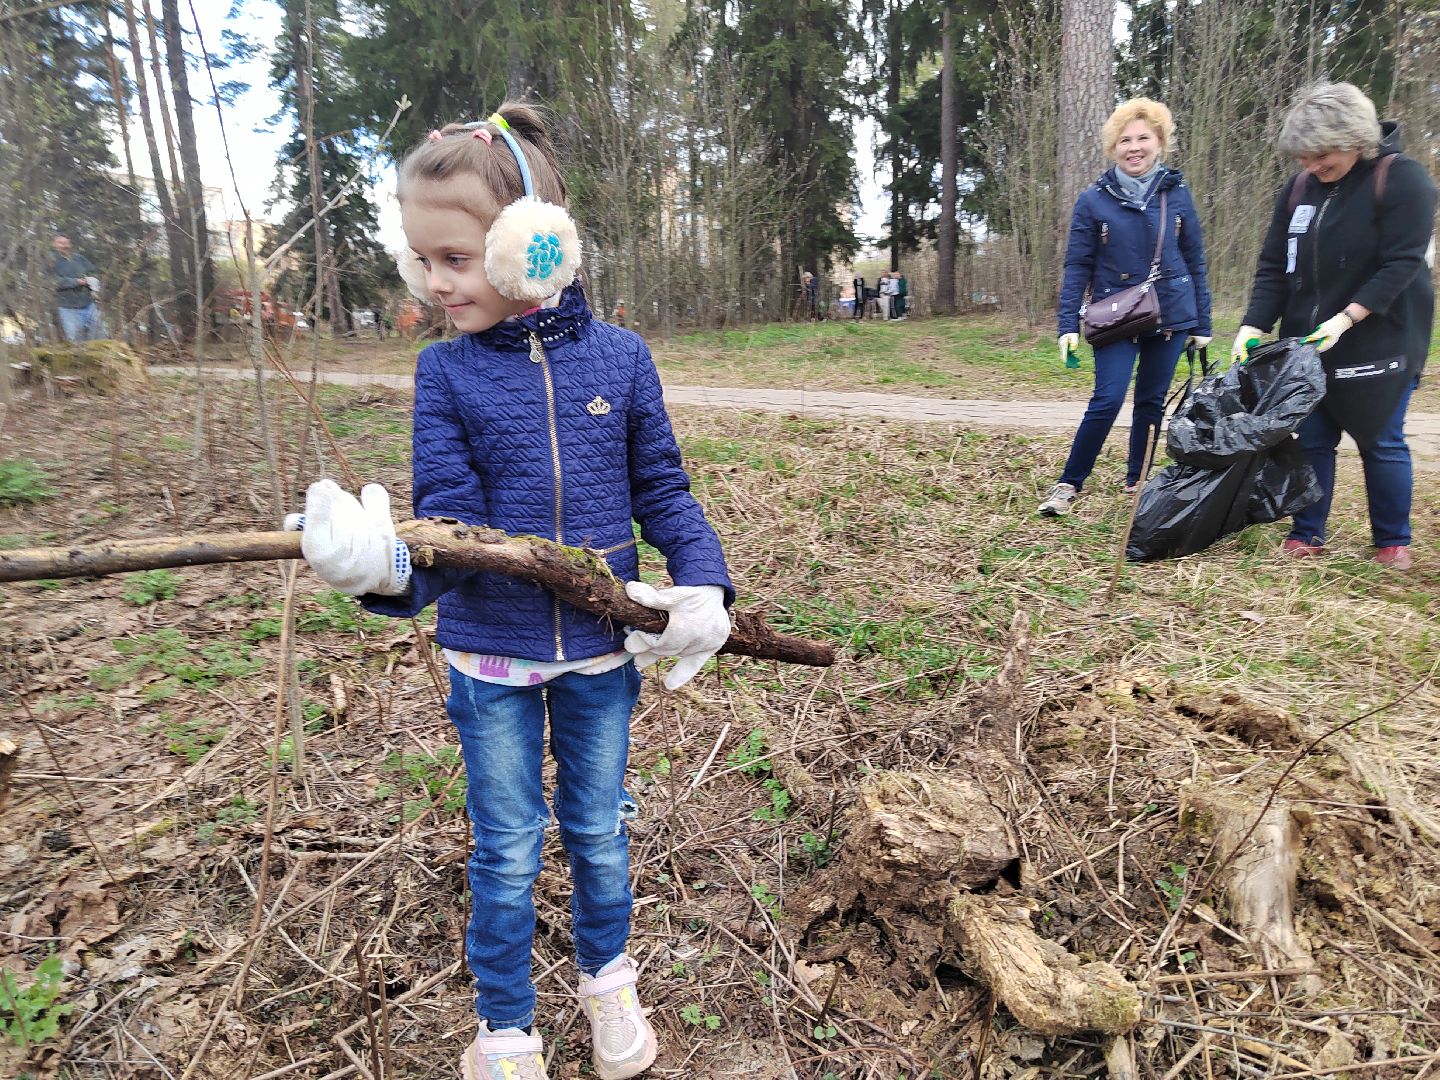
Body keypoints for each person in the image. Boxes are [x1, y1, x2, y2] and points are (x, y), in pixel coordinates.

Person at [286, 103, 734, 1080]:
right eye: (422, 260)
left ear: (532, 247)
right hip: (488, 662)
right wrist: (389, 567)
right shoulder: (443, 374)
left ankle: (607, 977)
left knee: (599, 832)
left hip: (601, 655)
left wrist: (703, 586)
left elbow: (664, 488)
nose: (435, 284)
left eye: (455, 258)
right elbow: (449, 522)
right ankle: (505, 1028)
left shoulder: (623, 360)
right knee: (505, 849)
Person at [1233, 82, 1436, 570]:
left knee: (1380, 439)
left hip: (1381, 336)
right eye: (1304, 157)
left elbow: (1401, 262)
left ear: (1356, 138)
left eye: (1322, 155)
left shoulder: (1402, 179)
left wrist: (1347, 318)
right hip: (1310, 342)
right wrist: (1252, 325)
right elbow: (1273, 265)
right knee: (1313, 439)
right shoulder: (1299, 189)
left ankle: (1391, 541)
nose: (1312, 166)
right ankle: (1308, 533)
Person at [1042, 98, 1212, 516]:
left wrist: (1203, 322)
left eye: (1143, 138)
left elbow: (1195, 258)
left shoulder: (1176, 193)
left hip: (1171, 314)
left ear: (1159, 143)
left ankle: (1137, 483)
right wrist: (1067, 323)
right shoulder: (1093, 200)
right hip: (1115, 316)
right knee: (1108, 398)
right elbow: (1077, 264)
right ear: (1113, 147)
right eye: (1125, 140)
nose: (1134, 147)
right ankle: (1068, 484)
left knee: (1151, 402)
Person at [49, 234, 103, 342]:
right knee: (76, 341)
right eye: (60, 243)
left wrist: (92, 279)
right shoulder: (50, 262)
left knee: (100, 338)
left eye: (66, 243)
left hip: (88, 304)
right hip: (68, 308)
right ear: (54, 244)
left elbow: (93, 271)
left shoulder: (79, 258)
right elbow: (52, 282)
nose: (64, 246)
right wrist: (76, 282)